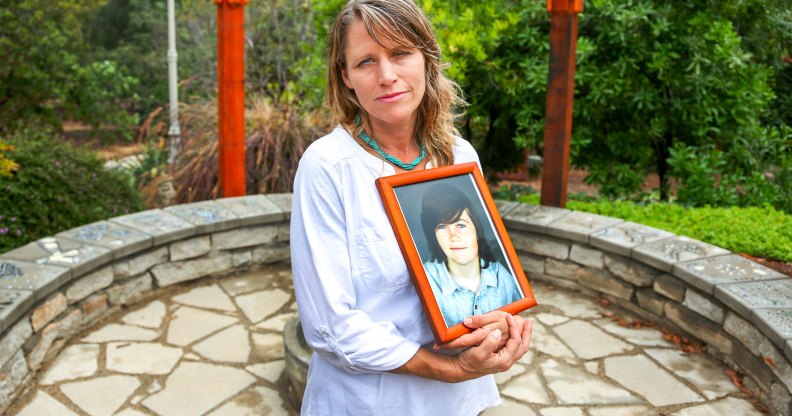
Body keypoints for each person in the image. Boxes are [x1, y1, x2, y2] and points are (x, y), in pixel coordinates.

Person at [290, 1, 533, 415]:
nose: (387, 76)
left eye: (400, 53)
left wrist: (498, 325)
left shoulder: (459, 155)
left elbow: (482, 272)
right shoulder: (329, 167)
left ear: (426, 58)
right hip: (368, 402)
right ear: (346, 76)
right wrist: (449, 368)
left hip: (457, 402)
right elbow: (330, 327)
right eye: (366, 61)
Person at [420, 184, 523, 328]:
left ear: (477, 229)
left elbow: (515, 319)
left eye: (460, 225)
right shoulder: (425, 279)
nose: (453, 236)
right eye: (442, 227)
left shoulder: (502, 276)